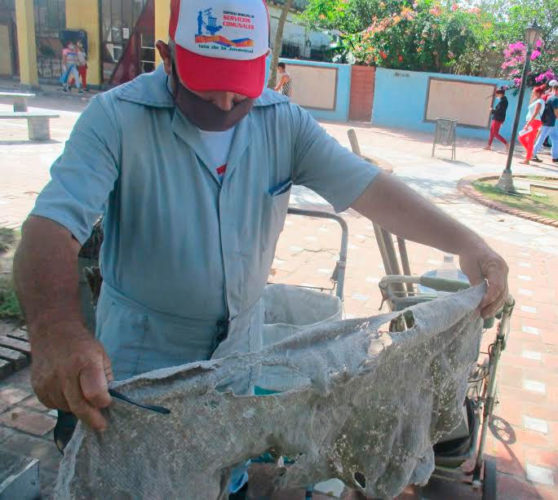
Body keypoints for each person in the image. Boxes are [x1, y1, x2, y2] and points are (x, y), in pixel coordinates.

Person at [13, 0, 508, 492]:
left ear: (266, 69)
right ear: (168, 57)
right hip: (142, 374)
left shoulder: (283, 122)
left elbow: (371, 190)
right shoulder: (115, 119)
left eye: (241, 94)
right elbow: (51, 227)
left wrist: (467, 243)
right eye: (205, 94)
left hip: (235, 371)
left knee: (227, 480)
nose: (226, 107)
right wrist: (56, 329)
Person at [531, 80, 558, 163]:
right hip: (548, 122)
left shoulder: (550, 97)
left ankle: (555, 156)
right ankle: (532, 154)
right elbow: (556, 112)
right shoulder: (554, 99)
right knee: (542, 138)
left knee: (555, 138)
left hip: (549, 122)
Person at [518, 86, 545, 165]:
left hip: (534, 122)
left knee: (521, 137)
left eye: (534, 92)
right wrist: (532, 97)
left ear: (538, 93)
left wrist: (527, 124)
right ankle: (528, 158)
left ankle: (530, 155)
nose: (532, 93)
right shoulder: (537, 100)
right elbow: (530, 108)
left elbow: (535, 113)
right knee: (530, 141)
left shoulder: (539, 101)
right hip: (534, 122)